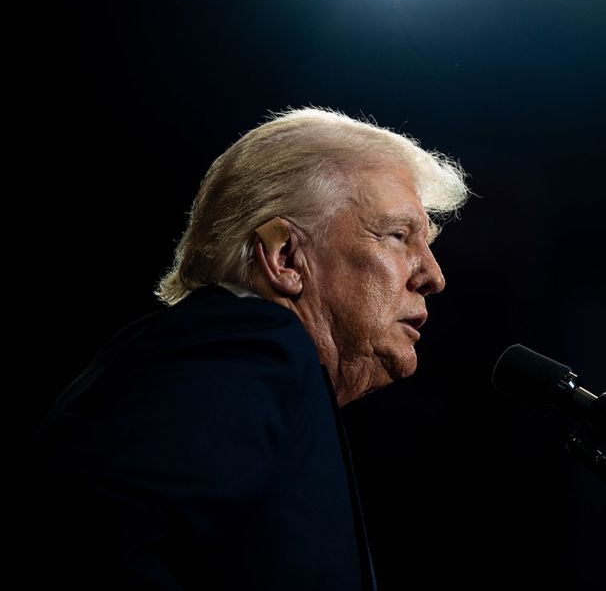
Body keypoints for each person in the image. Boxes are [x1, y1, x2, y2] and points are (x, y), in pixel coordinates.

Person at [27, 107, 469, 589]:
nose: (433, 276)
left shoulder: (252, 358)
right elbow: (90, 536)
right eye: (398, 236)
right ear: (284, 258)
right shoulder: (253, 340)